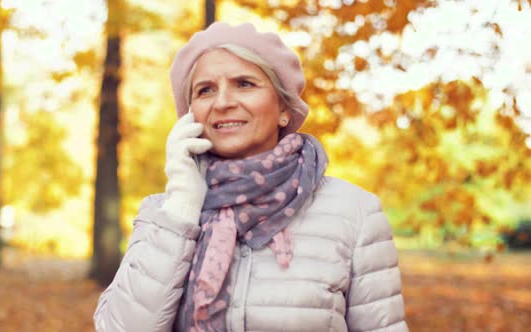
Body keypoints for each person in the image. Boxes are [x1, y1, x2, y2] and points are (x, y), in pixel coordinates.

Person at [94, 22, 408, 332]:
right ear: (190, 115)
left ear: (284, 108)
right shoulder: (163, 214)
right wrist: (183, 208)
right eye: (206, 90)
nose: (223, 102)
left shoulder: (354, 214)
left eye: (244, 83)